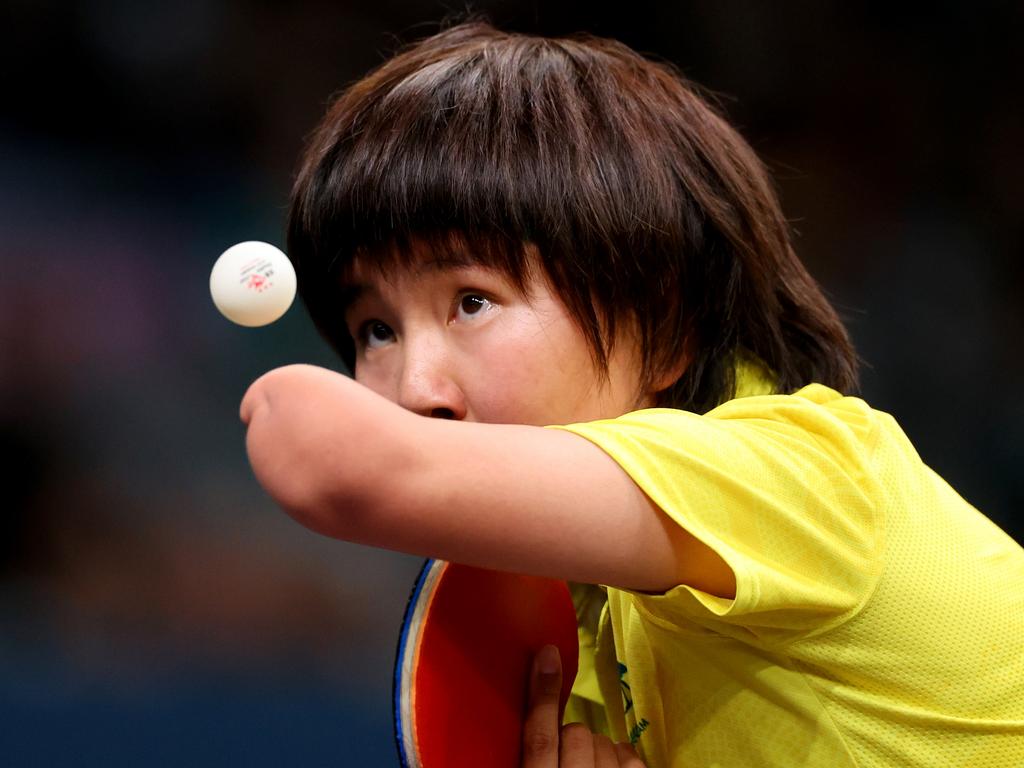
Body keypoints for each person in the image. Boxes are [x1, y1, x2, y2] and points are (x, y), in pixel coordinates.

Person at [239, 20, 1024, 768]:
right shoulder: (579, 649)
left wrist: (274, 400)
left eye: (472, 301)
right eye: (376, 329)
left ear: (665, 322)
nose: (415, 388)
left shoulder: (797, 473)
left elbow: (325, 455)